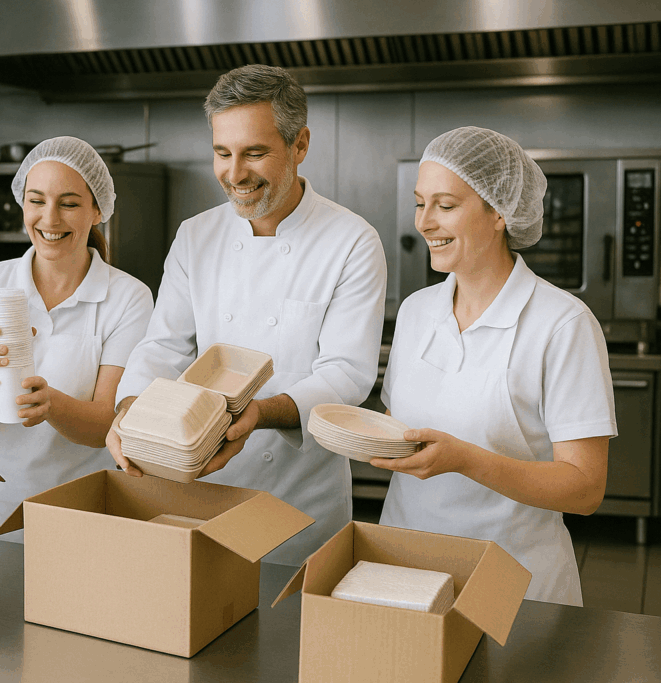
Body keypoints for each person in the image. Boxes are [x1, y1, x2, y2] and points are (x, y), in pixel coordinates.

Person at [107, 65, 387, 566]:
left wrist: (257, 412)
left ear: (299, 145)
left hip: (300, 506)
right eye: (222, 153)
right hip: (200, 490)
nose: (234, 174)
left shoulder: (352, 241)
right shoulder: (196, 236)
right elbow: (164, 347)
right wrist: (129, 408)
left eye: (254, 153)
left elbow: (347, 374)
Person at [371, 126, 615, 606]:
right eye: (420, 203)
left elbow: (585, 488)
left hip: (514, 583)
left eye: (446, 205)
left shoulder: (562, 323)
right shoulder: (418, 311)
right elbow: (400, 423)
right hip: (405, 572)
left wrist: (464, 460)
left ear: (499, 212)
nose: (424, 222)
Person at [0, 136, 154, 541]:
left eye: (69, 203)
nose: (49, 219)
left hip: (80, 515)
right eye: (36, 201)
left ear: (97, 211)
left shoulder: (129, 297)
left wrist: (51, 402)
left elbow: (108, 423)